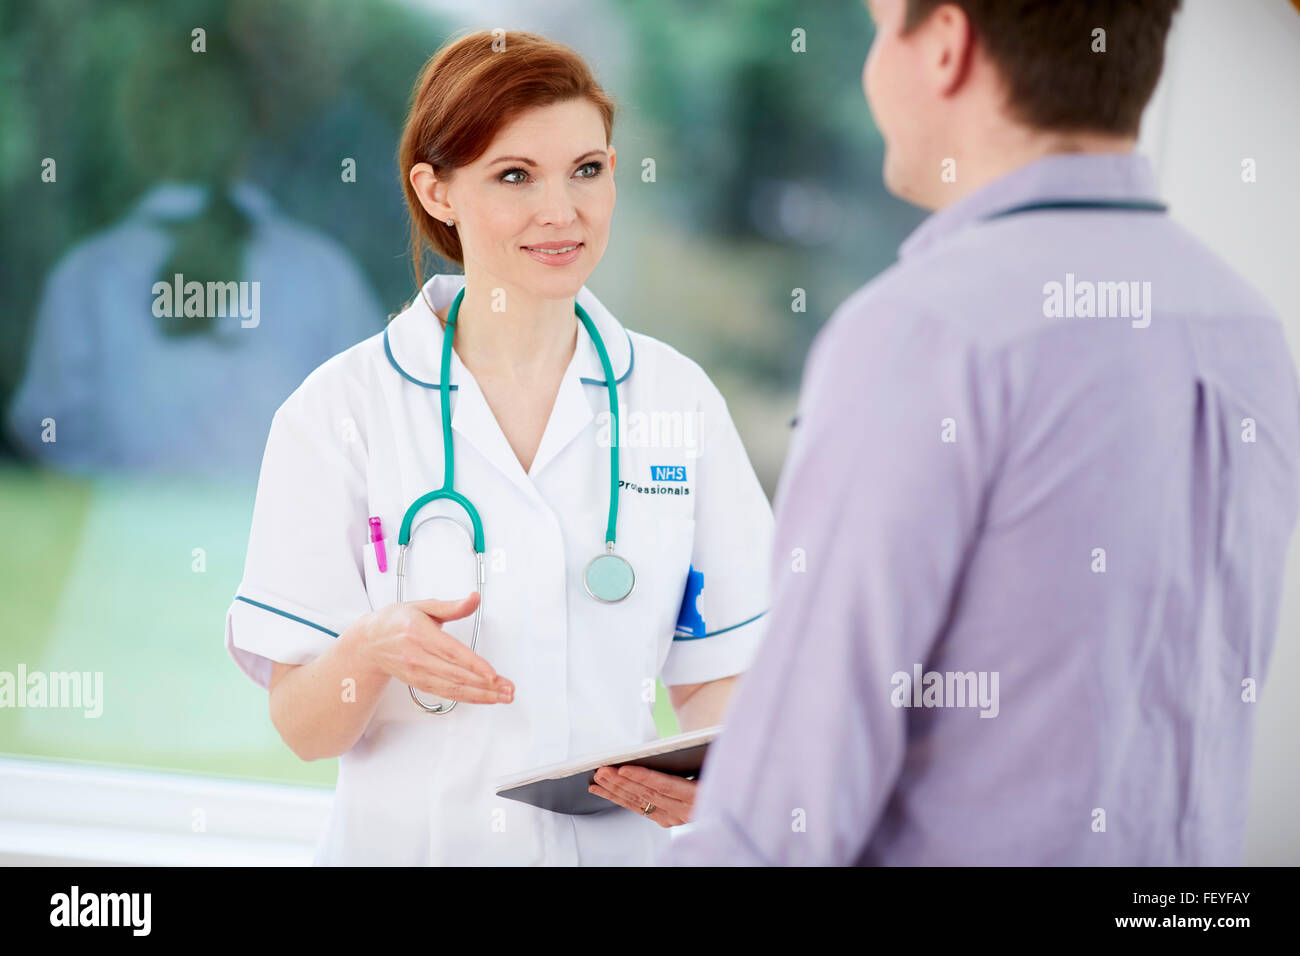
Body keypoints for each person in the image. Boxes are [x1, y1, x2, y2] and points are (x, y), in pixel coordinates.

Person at [661, 0, 1300, 865]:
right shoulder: (1248, 327)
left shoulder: (927, 330)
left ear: (946, 44)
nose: (870, 64)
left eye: (882, 26)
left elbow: (777, 835)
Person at [223, 30, 773, 865]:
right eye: (514, 176)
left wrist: (714, 775)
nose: (562, 211)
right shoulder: (340, 410)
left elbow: (717, 675)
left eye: (586, 170)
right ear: (436, 190)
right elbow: (302, 727)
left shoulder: (677, 400)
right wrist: (372, 650)